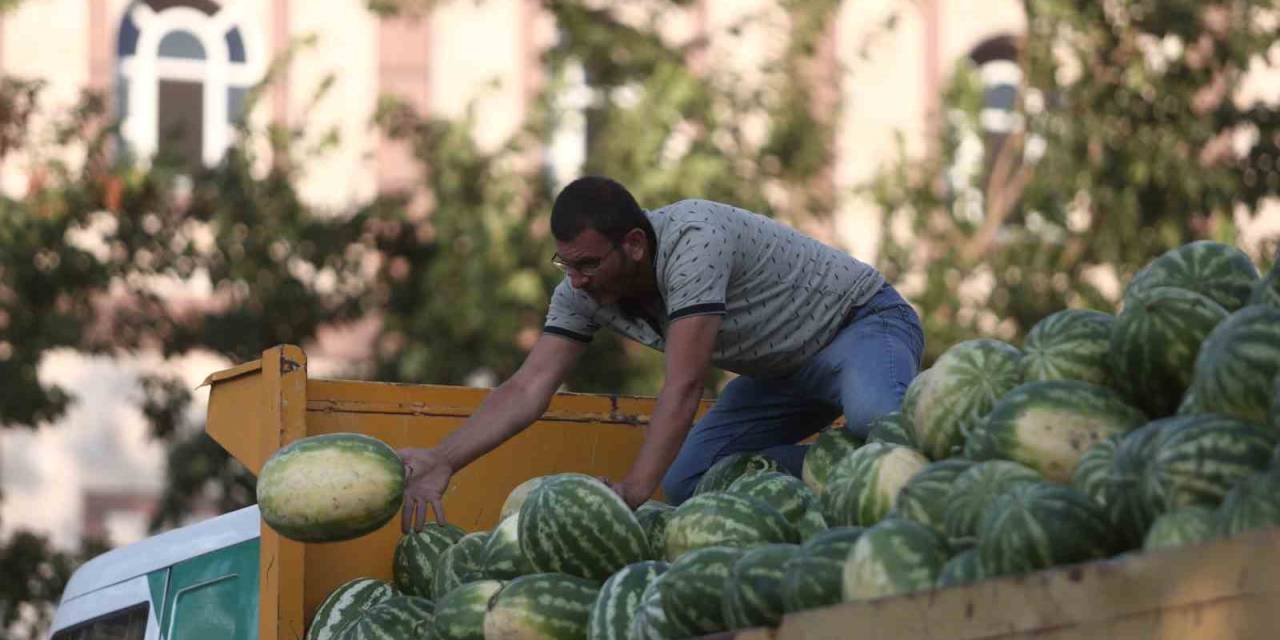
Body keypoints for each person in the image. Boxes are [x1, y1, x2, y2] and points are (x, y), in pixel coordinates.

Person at [398, 176, 923, 530]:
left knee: (881, 421)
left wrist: (631, 491)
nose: (576, 281)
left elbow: (685, 385)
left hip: (860, 325)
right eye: (565, 265)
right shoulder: (582, 289)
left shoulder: (694, 239)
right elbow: (529, 386)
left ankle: (941, 475)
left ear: (633, 244)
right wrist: (443, 460)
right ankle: (839, 475)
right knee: (690, 482)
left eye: (586, 264)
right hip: (781, 373)